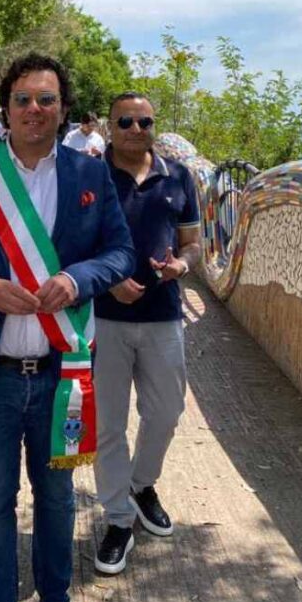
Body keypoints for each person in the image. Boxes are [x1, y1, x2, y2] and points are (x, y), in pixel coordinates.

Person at [0, 54, 135, 602]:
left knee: (57, 500)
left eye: (46, 99)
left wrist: (77, 279)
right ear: (5, 108)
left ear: (63, 108)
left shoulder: (90, 173)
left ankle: (55, 599)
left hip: (65, 376)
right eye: (23, 99)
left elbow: (121, 253)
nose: (34, 109)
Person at [91, 92, 199, 574]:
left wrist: (181, 265)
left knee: (167, 412)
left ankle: (141, 484)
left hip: (163, 316)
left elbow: (192, 243)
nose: (136, 129)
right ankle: (118, 519)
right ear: (109, 127)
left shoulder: (179, 176)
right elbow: (72, 244)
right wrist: (108, 281)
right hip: (105, 318)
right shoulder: (90, 176)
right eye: (125, 122)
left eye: (144, 121)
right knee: (108, 425)